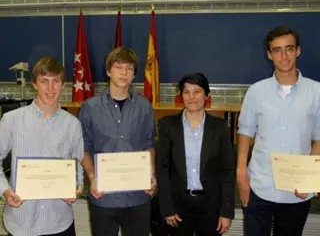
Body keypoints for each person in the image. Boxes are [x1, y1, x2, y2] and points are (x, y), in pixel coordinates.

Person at [237, 25, 320, 236]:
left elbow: (319, 138)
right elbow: (245, 133)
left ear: (298, 50)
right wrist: (241, 175)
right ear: (269, 54)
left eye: (289, 48)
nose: (284, 56)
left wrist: (311, 179)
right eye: (277, 50)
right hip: (260, 185)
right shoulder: (256, 92)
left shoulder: (316, 92)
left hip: (297, 191)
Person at [0, 57, 84, 236]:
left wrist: (78, 187)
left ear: (63, 85)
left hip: (60, 221)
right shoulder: (11, 120)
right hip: (22, 222)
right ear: (35, 84)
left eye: (56, 81)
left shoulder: (72, 124)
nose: (51, 88)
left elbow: (77, 166)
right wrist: (5, 191)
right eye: (44, 81)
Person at [78, 47, 157, 236]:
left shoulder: (145, 106)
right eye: (118, 67)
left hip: (138, 196)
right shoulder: (89, 108)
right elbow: (83, 148)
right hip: (103, 196)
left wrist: (151, 174)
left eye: (129, 68)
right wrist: (92, 178)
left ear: (134, 74)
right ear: (108, 71)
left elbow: (149, 144)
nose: (124, 73)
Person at [156, 73, 235, 236]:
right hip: (178, 207)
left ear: (207, 95)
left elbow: (227, 171)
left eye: (197, 91)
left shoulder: (220, 128)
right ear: (181, 96)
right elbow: (162, 168)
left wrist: (227, 211)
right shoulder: (167, 125)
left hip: (211, 206)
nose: (191, 97)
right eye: (186, 92)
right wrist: (167, 207)